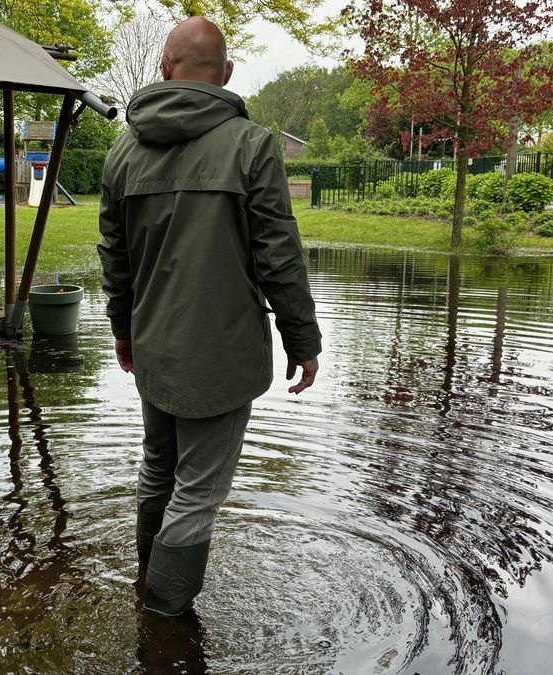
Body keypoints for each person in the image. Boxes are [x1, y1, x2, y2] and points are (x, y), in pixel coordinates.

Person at [98, 16, 322, 617]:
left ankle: (148, 584)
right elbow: (279, 254)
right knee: (196, 490)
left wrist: (124, 331)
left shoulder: (122, 152)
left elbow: (113, 260)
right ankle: (164, 617)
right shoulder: (250, 144)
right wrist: (301, 337)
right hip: (220, 358)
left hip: (153, 348)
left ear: (165, 68)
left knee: (157, 469)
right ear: (225, 74)